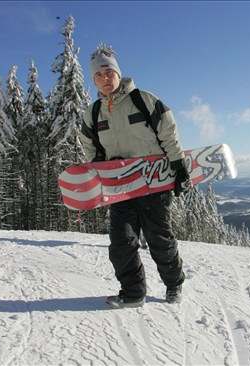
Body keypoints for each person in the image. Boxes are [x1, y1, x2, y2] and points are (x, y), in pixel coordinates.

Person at [80, 45, 191, 308]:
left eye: (109, 72)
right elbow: (89, 144)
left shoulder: (144, 100)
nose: (105, 78)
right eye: (99, 75)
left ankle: (174, 284)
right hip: (121, 186)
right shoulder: (94, 112)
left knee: (159, 238)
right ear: (93, 80)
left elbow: (168, 132)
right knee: (121, 241)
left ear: (118, 74)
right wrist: (99, 170)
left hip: (153, 182)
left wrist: (177, 165)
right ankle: (133, 293)